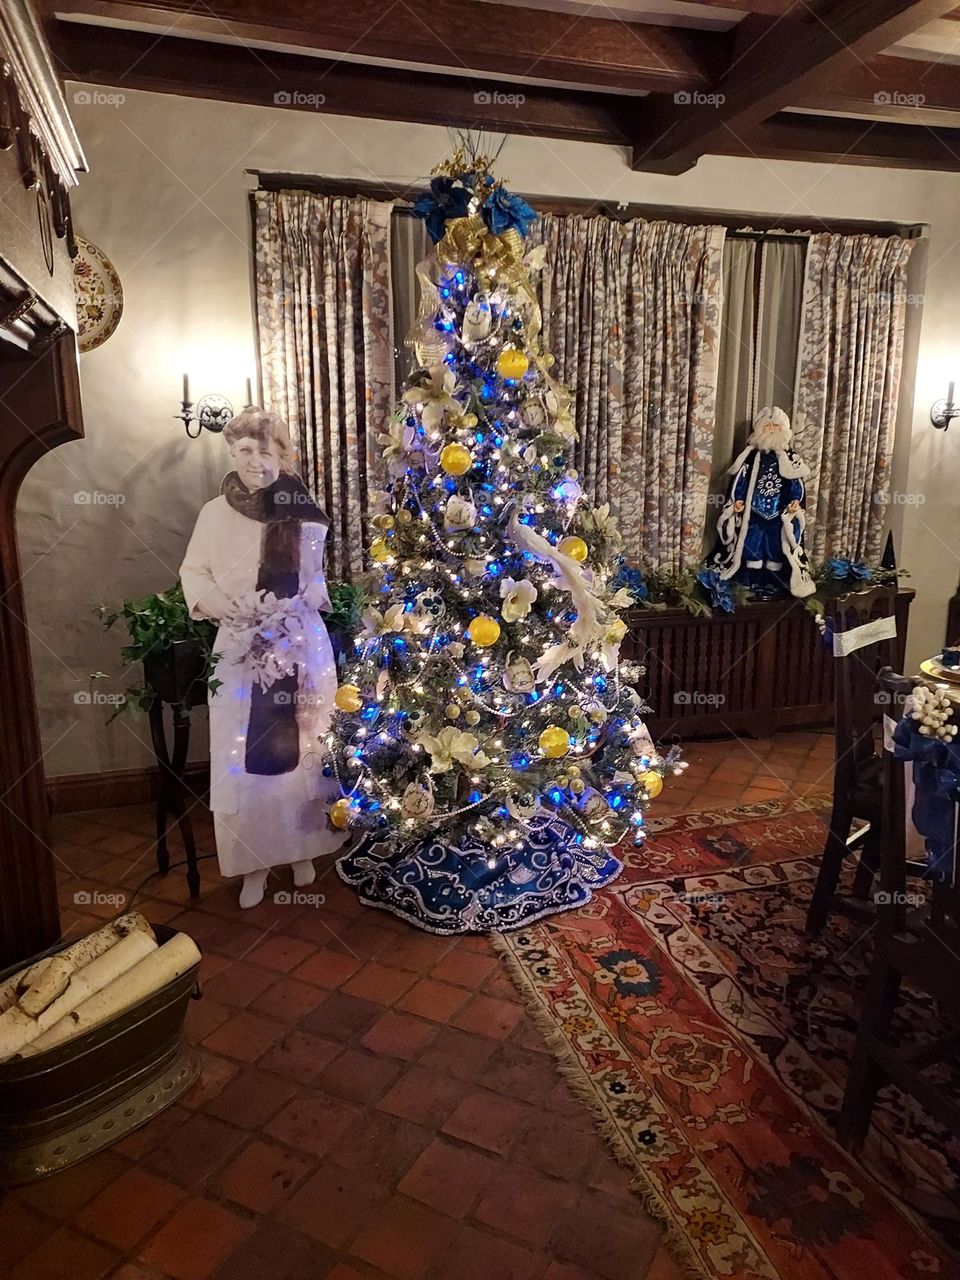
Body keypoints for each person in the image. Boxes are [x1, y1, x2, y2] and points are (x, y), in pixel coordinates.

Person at [180, 407, 345, 908]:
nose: (256, 461)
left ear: (283, 457)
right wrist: (231, 610)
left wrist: (292, 614)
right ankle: (252, 864)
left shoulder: (305, 514)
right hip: (238, 644)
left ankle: (302, 851)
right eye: (246, 451)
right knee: (242, 762)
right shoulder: (214, 513)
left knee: (306, 753)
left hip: (299, 644)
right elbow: (195, 572)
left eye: (266, 452)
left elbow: (316, 581)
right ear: (232, 454)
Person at [710, 405, 816, 599]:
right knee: (752, 548)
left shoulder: (790, 459)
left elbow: (795, 483)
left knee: (775, 550)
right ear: (759, 429)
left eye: (776, 426)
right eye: (768, 426)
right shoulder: (750, 458)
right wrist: (738, 499)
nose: (772, 430)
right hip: (754, 515)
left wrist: (795, 500)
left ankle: (772, 584)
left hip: (778, 516)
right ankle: (750, 583)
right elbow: (740, 480)